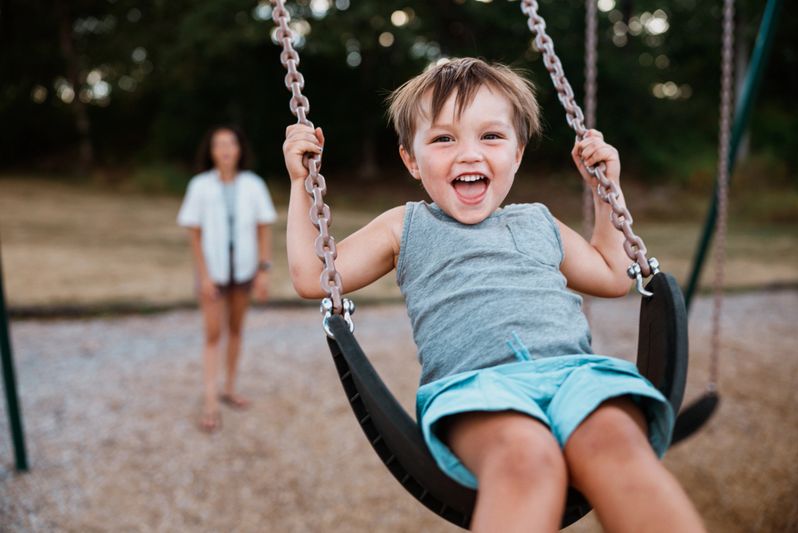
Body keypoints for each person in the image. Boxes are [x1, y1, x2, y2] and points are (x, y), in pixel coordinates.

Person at [283, 58, 705, 532]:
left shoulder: (539, 222)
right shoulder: (406, 227)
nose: (469, 155)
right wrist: (302, 185)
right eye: (444, 139)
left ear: (518, 153)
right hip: (475, 389)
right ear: (411, 160)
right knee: (525, 459)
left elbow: (612, 275)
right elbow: (313, 276)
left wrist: (608, 193)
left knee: (617, 444)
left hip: (577, 376)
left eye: (491, 136)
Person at [178, 125, 277, 433]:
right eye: (218, 144)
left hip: (244, 271)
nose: (224, 149)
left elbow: (264, 228)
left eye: (230, 143)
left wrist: (263, 270)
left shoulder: (253, 185)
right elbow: (195, 235)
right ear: (211, 151)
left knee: (235, 329)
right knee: (212, 334)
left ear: (239, 149)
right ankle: (210, 400)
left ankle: (229, 387)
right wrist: (204, 276)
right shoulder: (199, 186)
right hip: (214, 274)